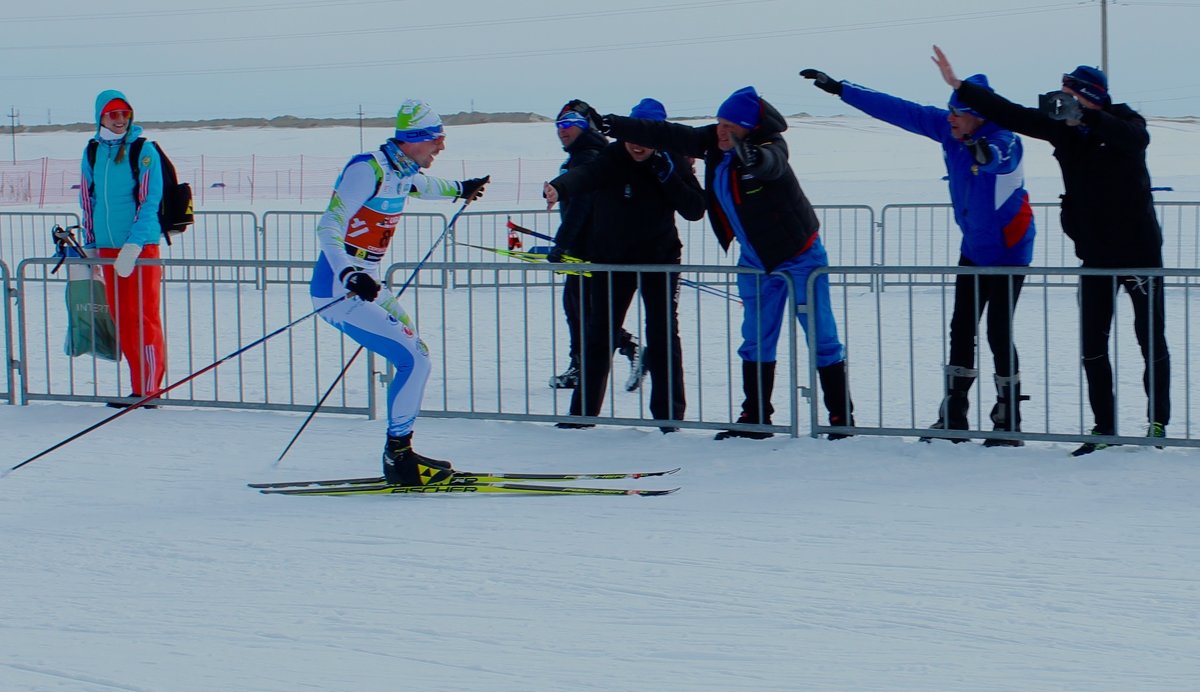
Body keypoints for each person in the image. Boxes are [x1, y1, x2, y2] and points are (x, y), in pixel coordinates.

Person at [933, 46, 1169, 456]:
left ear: (1089, 96)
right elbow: (1012, 113)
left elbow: (1136, 139)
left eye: (1068, 94)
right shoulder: (1062, 129)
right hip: (1095, 255)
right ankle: (1103, 428)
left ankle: (1158, 424)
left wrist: (1087, 116)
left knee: (1149, 341)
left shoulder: (1125, 122)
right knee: (1093, 346)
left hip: (1139, 253)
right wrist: (960, 86)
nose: (1060, 101)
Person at [583, 87, 855, 440]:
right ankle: (756, 417)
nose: (721, 131)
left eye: (730, 126)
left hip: (800, 256)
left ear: (747, 128)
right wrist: (612, 124)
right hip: (756, 260)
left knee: (822, 337)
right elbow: (668, 134)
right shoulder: (714, 141)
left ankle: (840, 418)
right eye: (719, 123)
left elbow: (773, 163)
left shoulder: (770, 145)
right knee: (756, 338)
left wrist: (753, 158)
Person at [800, 68, 1035, 446]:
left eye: (957, 113)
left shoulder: (1003, 136)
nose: (950, 118)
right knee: (961, 328)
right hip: (974, 249)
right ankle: (954, 414)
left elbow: (1000, 158)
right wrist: (842, 89)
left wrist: (983, 151)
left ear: (977, 116)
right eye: (949, 112)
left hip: (1010, 249)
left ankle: (1008, 418)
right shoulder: (949, 131)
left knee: (998, 331)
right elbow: (899, 110)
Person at [310, 99, 489, 485]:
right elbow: (328, 227)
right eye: (437, 140)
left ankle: (401, 451)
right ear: (415, 140)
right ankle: (399, 456)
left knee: (416, 354)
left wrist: (462, 189)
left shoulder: (401, 170)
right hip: (340, 290)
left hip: (370, 284)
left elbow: (426, 186)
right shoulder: (367, 169)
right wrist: (349, 275)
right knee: (415, 358)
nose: (441, 148)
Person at [544, 98, 705, 433]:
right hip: (611, 260)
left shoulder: (672, 159)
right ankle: (582, 415)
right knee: (598, 335)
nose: (636, 144)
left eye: (645, 137)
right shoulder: (613, 157)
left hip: (659, 260)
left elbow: (694, 208)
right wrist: (558, 188)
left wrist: (669, 175)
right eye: (632, 135)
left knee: (662, 335)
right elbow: (586, 175)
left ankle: (669, 416)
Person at [80, 89, 167, 408]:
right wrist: (90, 245)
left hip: (139, 250)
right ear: (100, 116)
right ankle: (138, 387)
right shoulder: (92, 152)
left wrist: (135, 243)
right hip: (106, 249)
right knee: (123, 318)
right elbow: (88, 202)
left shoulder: (144, 150)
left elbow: (150, 200)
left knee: (143, 318)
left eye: (124, 113)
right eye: (113, 114)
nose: (120, 120)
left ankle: (148, 390)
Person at [547, 100, 642, 392]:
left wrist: (562, 244)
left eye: (570, 123)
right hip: (586, 247)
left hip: (589, 250)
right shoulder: (585, 153)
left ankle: (621, 351)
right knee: (579, 309)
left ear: (586, 125)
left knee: (586, 312)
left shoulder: (587, 155)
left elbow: (583, 205)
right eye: (559, 124)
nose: (563, 130)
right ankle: (592, 361)